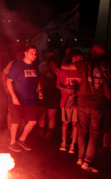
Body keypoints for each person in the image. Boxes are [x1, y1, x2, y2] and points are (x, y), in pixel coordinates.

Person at [61, 44, 109, 173]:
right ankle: (87, 161)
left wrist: (67, 54)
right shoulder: (107, 66)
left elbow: (63, 66)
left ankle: (80, 158)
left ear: (93, 51)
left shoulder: (86, 63)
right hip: (98, 104)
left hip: (82, 103)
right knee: (94, 134)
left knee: (82, 131)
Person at [7, 45, 42, 152]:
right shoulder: (17, 66)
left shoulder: (35, 66)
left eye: (35, 53)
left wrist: (40, 91)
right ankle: (12, 143)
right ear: (25, 53)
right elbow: (8, 81)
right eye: (31, 53)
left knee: (33, 121)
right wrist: (13, 96)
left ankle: (21, 140)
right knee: (15, 122)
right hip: (17, 99)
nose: (34, 55)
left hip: (30, 100)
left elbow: (37, 80)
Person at [56, 51, 83, 153]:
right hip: (65, 101)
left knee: (75, 124)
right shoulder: (63, 71)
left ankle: (73, 144)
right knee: (66, 122)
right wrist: (66, 89)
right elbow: (57, 85)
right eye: (75, 59)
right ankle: (63, 143)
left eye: (80, 59)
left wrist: (79, 92)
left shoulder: (83, 71)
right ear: (71, 59)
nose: (77, 61)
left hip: (78, 102)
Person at [36, 56, 61, 140]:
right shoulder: (45, 72)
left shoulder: (60, 72)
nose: (51, 66)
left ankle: (49, 132)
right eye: (50, 64)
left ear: (57, 64)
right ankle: (40, 131)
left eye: (53, 64)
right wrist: (40, 90)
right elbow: (40, 82)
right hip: (45, 94)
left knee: (51, 116)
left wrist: (58, 74)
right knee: (41, 115)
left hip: (55, 95)